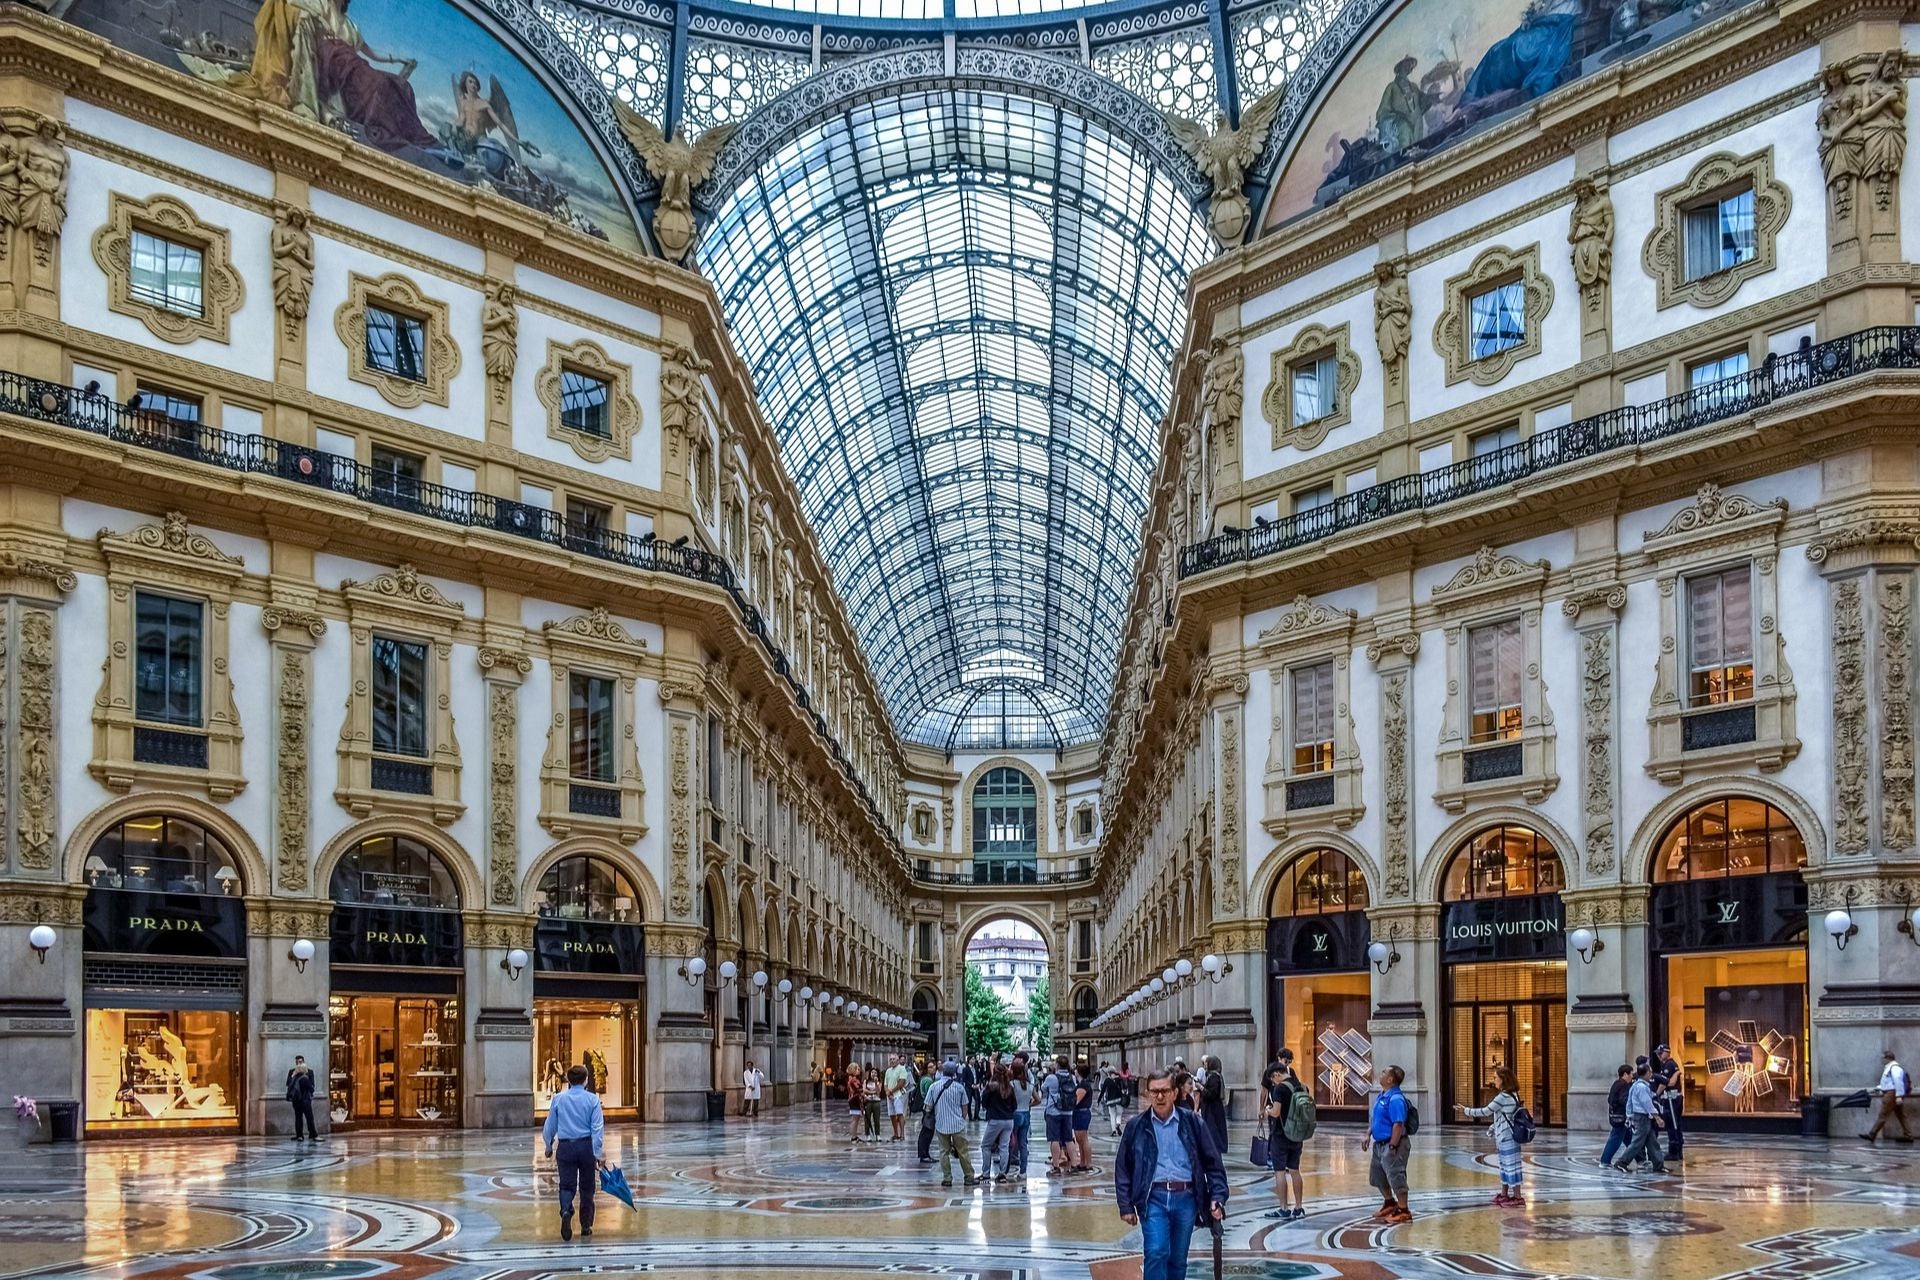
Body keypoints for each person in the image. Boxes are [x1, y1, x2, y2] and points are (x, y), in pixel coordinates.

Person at [1114, 1068, 1229, 1280]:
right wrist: (1126, 1205)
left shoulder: (1193, 1123)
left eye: (1165, 1091)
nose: (1159, 1096)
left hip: (1186, 1198)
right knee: (1156, 1251)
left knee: (1177, 1259)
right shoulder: (1136, 1126)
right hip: (1153, 1198)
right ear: (1148, 1093)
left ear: (1175, 1093)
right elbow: (1123, 1167)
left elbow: (1213, 1164)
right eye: (1154, 1091)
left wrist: (1217, 1197)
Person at [542, 1063, 605, 1242]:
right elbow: (597, 1129)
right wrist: (597, 1153)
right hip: (585, 1147)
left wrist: (548, 1145)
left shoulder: (558, 1099)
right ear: (586, 1080)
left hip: (566, 1147)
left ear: (568, 1080)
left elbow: (550, 1125)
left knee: (566, 1185)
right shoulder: (592, 1099)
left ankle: (566, 1210)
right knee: (587, 1187)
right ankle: (586, 1225)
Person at [1457, 1066, 1525, 1207]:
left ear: (1503, 1079)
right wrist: (1493, 1128)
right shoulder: (1513, 1094)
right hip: (1504, 1136)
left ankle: (1517, 1197)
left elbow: (1486, 1111)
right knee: (1505, 1166)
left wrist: (1466, 1110)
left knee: (1511, 1167)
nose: (1493, 1080)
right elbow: (1504, 1116)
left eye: (1495, 1077)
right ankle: (1505, 1194)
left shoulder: (1503, 1097)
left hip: (1507, 1137)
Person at [1363, 1065, 1412, 1223]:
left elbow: (1398, 1124)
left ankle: (1403, 1209)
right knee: (1378, 1176)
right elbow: (1377, 1119)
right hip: (1379, 1144)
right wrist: (1368, 1134)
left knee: (1396, 1175)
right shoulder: (1382, 1095)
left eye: (1384, 1072)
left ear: (1390, 1079)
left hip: (1393, 1144)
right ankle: (1390, 1202)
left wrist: (1392, 1145)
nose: (1381, 1073)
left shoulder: (1396, 1099)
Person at [1263, 1052, 1306, 1220]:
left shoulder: (1281, 1088)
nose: (1273, 1083)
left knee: (1279, 1171)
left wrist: (1268, 1110)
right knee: (1295, 1170)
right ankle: (1299, 1206)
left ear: (1277, 1074)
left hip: (1281, 1134)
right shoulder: (1300, 1085)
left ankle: (1283, 1208)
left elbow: (1276, 1111)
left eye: (1273, 1079)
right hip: (1297, 1133)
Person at [928, 1061, 979, 1187]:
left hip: (941, 1124)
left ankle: (947, 1178)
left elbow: (928, 1106)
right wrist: (962, 1119)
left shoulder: (934, 1086)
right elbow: (965, 1107)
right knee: (963, 1152)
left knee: (943, 1152)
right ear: (954, 1073)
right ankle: (969, 1177)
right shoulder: (959, 1087)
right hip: (957, 1125)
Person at [1613, 1060, 1669, 1175]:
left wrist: (1629, 1115)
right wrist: (1657, 1117)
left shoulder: (1635, 1085)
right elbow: (1647, 1103)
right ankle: (1622, 1162)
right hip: (1642, 1117)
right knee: (1637, 1143)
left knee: (1652, 1142)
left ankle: (1659, 1164)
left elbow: (1629, 1102)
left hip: (1641, 1117)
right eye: (1650, 1072)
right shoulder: (1642, 1087)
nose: (1651, 1075)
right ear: (1646, 1073)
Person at [1864, 1047, 1914, 1142]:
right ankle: (1909, 1135)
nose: (1881, 1060)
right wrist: (1878, 1088)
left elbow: (1898, 1082)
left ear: (1888, 1058)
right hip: (1892, 1093)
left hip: (1891, 1094)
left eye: (1882, 1058)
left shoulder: (1894, 1068)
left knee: (1883, 1114)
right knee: (1901, 1115)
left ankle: (1872, 1134)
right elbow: (1888, 1082)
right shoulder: (1891, 1067)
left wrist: (1899, 1096)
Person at [982, 1063, 1019, 1183]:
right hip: (1008, 1120)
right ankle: (1002, 1173)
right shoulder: (1009, 1087)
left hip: (995, 1119)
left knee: (986, 1146)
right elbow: (1015, 1105)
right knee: (1004, 1147)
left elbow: (984, 1103)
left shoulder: (991, 1087)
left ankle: (986, 1173)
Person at [1041, 1055, 1077, 1175]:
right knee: (1068, 1139)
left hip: (1053, 1111)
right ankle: (1074, 1164)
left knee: (1054, 1139)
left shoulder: (1051, 1078)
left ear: (1057, 1064)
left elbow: (1043, 1089)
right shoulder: (1072, 1077)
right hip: (1068, 1112)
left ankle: (1056, 1166)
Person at [1652, 1043, 1684, 1163]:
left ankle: (1674, 1151)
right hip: (1675, 1097)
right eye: (1658, 1053)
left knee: (1672, 1124)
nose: (1659, 1056)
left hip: (1671, 1098)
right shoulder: (1668, 1064)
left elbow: (1666, 1083)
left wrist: (1656, 1094)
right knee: (1676, 1124)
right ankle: (1678, 1150)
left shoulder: (1668, 1065)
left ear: (1667, 1052)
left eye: (1661, 1053)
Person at [1599, 1063, 1633, 1168]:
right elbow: (1623, 1100)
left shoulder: (1616, 1084)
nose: (1632, 1077)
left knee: (1629, 1139)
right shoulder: (1624, 1085)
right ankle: (1605, 1161)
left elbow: (1610, 1099)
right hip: (1620, 1118)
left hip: (1615, 1117)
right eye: (1631, 1074)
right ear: (1625, 1074)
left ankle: (1641, 1159)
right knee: (1615, 1139)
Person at [1008, 1055, 1034, 1177]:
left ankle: (1006, 1169)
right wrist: (1030, 1104)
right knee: (1023, 1144)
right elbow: (1038, 1099)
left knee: (1010, 1142)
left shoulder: (1012, 1084)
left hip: (1015, 1113)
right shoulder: (1029, 1085)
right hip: (1026, 1113)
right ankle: (1023, 1171)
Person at [1197, 1054, 1228, 1156]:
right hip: (1211, 1109)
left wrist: (1201, 1087)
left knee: (1213, 1133)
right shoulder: (1212, 1076)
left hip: (1213, 1110)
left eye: (1207, 1063)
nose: (1205, 1066)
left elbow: (1211, 1094)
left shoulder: (1214, 1077)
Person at [284, 1054, 318, 1143]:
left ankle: (312, 1133)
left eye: (300, 1062)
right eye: (297, 1062)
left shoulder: (309, 1072)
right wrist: (293, 1076)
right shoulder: (292, 1072)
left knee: (309, 1117)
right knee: (298, 1117)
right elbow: (288, 1083)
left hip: (306, 1099)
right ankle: (299, 1135)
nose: (299, 1064)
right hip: (296, 1100)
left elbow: (312, 1086)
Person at [1071, 1062, 1096, 1173]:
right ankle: (1082, 1162)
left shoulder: (1083, 1086)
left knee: (1083, 1138)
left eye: (1076, 1069)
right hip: (1078, 1113)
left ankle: (1088, 1163)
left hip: (1082, 1113)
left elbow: (1076, 1100)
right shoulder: (1081, 1084)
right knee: (1079, 1139)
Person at [885, 1053, 912, 1142]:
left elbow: (901, 1082)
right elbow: (885, 1083)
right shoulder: (888, 1071)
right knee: (892, 1114)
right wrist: (887, 1092)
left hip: (898, 1095)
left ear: (897, 1060)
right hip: (889, 1096)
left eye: (894, 1059)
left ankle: (902, 1134)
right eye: (891, 1059)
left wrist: (891, 1091)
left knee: (900, 1114)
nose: (892, 1061)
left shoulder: (901, 1069)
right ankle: (895, 1133)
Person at [1101, 1062, 1130, 1135]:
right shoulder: (1119, 1078)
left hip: (1110, 1101)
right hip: (1119, 1100)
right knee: (1119, 1114)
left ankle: (1113, 1130)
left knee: (1112, 1115)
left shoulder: (1107, 1080)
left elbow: (1103, 1090)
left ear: (1108, 1073)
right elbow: (1124, 1087)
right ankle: (1118, 1124)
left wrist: (1099, 1099)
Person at [845, 1060, 866, 1143]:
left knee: (856, 1119)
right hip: (854, 1100)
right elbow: (859, 1089)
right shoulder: (853, 1080)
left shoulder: (853, 1079)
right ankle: (853, 1137)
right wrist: (865, 1093)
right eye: (857, 1069)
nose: (859, 1070)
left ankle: (855, 1135)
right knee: (855, 1119)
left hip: (855, 1099)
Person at [862, 1066, 884, 1141]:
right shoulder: (866, 1081)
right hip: (868, 1101)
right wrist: (872, 1092)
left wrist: (875, 1083)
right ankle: (867, 1134)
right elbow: (864, 1090)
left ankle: (877, 1134)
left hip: (876, 1101)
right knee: (867, 1118)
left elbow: (878, 1092)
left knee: (876, 1119)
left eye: (875, 1072)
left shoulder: (879, 1082)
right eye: (872, 1072)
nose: (873, 1074)